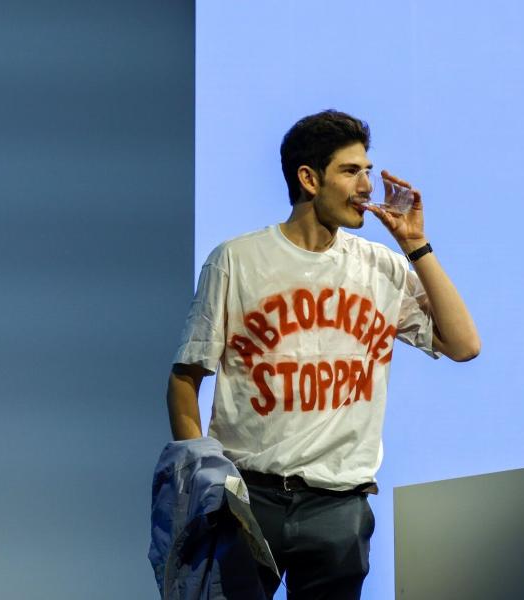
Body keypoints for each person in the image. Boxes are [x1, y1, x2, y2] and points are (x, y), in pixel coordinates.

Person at [166, 109, 480, 599]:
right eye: (351, 171)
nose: (367, 186)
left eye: (368, 171)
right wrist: (201, 483)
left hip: (340, 504)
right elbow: (185, 377)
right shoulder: (237, 260)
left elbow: (464, 344)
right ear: (309, 178)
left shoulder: (382, 267)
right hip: (249, 496)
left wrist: (416, 246)